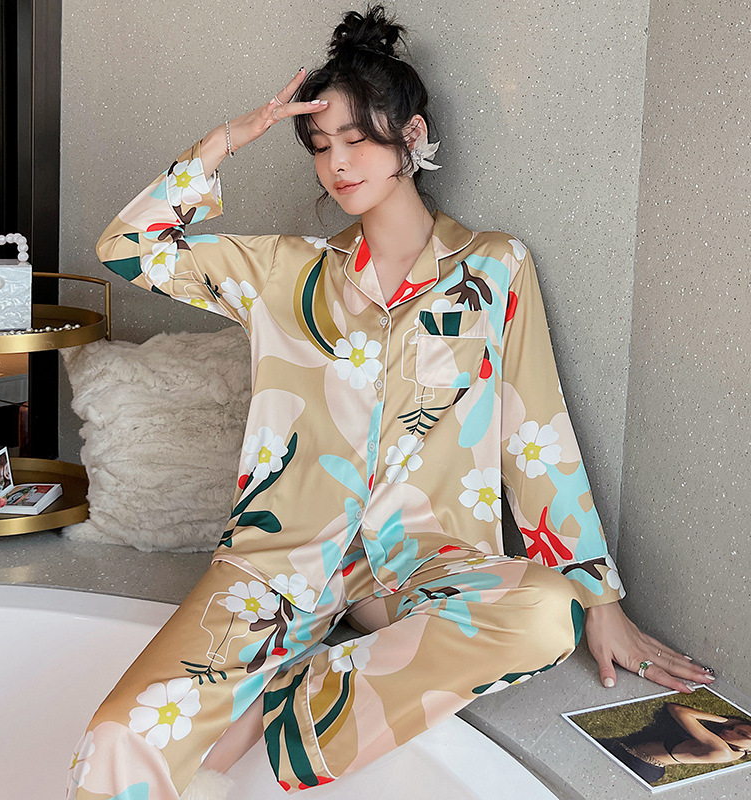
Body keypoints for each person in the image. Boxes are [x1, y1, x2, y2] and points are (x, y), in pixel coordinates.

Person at [65, 5, 714, 799]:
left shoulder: (493, 269)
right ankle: (274, 677)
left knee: (550, 610)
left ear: (412, 136)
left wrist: (601, 598)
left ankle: (286, 709)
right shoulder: (284, 272)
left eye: (358, 139)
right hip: (281, 567)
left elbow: (534, 434)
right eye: (320, 146)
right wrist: (227, 140)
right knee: (117, 738)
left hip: (423, 564)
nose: (338, 163)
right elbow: (127, 247)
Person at [597, 702, 751, 786]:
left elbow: (676, 709)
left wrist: (726, 721)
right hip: (646, 766)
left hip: (637, 762)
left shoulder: (722, 749)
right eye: (733, 728)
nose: (729, 731)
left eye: (742, 734)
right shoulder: (738, 752)